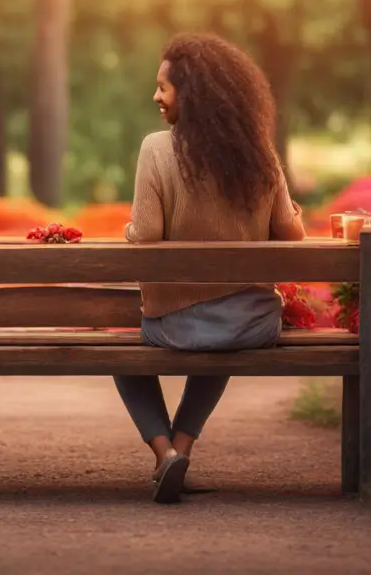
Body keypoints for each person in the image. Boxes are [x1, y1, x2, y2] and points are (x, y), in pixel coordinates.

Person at [116, 32, 306, 504]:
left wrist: (127, 228)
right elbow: (293, 234)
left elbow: (143, 236)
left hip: (179, 326)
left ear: (192, 92)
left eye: (164, 87)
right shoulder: (259, 152)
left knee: (120, 354)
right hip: (253, 323)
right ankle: (180, 449)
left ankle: (164, 454)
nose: (155, 96)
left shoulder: (157, 150)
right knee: (226, 325)